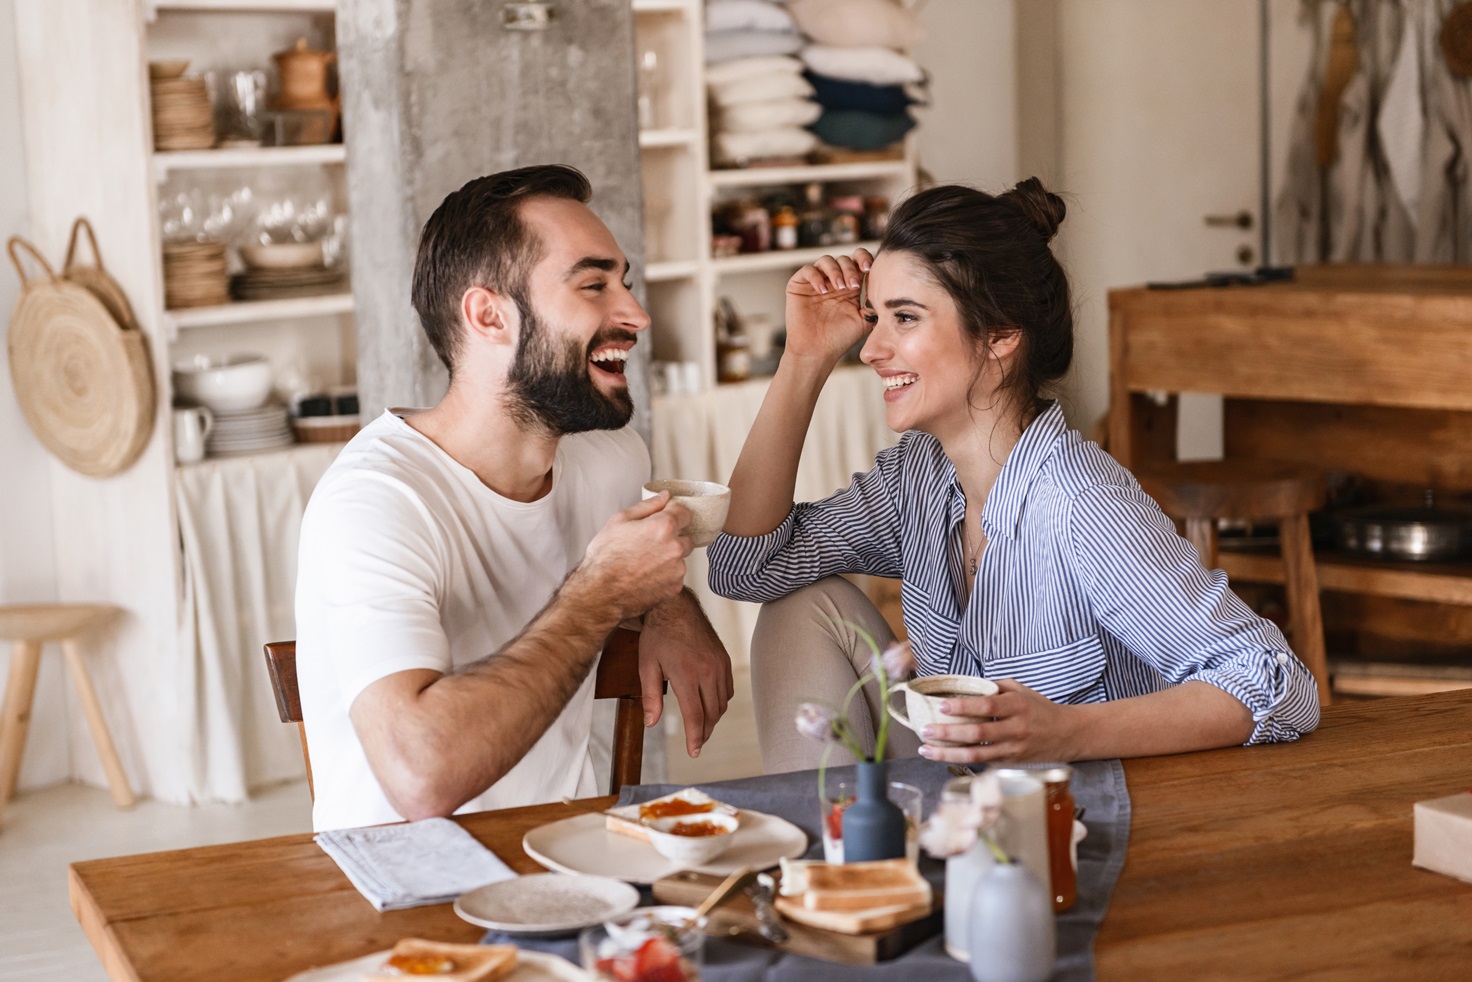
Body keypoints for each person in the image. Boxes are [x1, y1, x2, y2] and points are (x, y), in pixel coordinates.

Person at [707, 179, 1320, 773]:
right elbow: (744, 567)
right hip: (965, 808)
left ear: (999, 336)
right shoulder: (916, 479)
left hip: (1084, 823)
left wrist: (1066, 733)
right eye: (875, 317)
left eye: (906, 318)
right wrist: (804, 357)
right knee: (800, 605)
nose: (870, 349)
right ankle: (842, 874)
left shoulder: (1081, 504)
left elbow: (1277, 684)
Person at [296, 164, 733, 831]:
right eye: (594, 285)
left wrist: (672, 607)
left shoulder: (613, 459)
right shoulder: (375, 500)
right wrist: (603, 594)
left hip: (567, 859)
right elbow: (420, 775)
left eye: (625, 284)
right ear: (489, 315)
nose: (636, 315)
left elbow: (634, 572)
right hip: (406, 891)